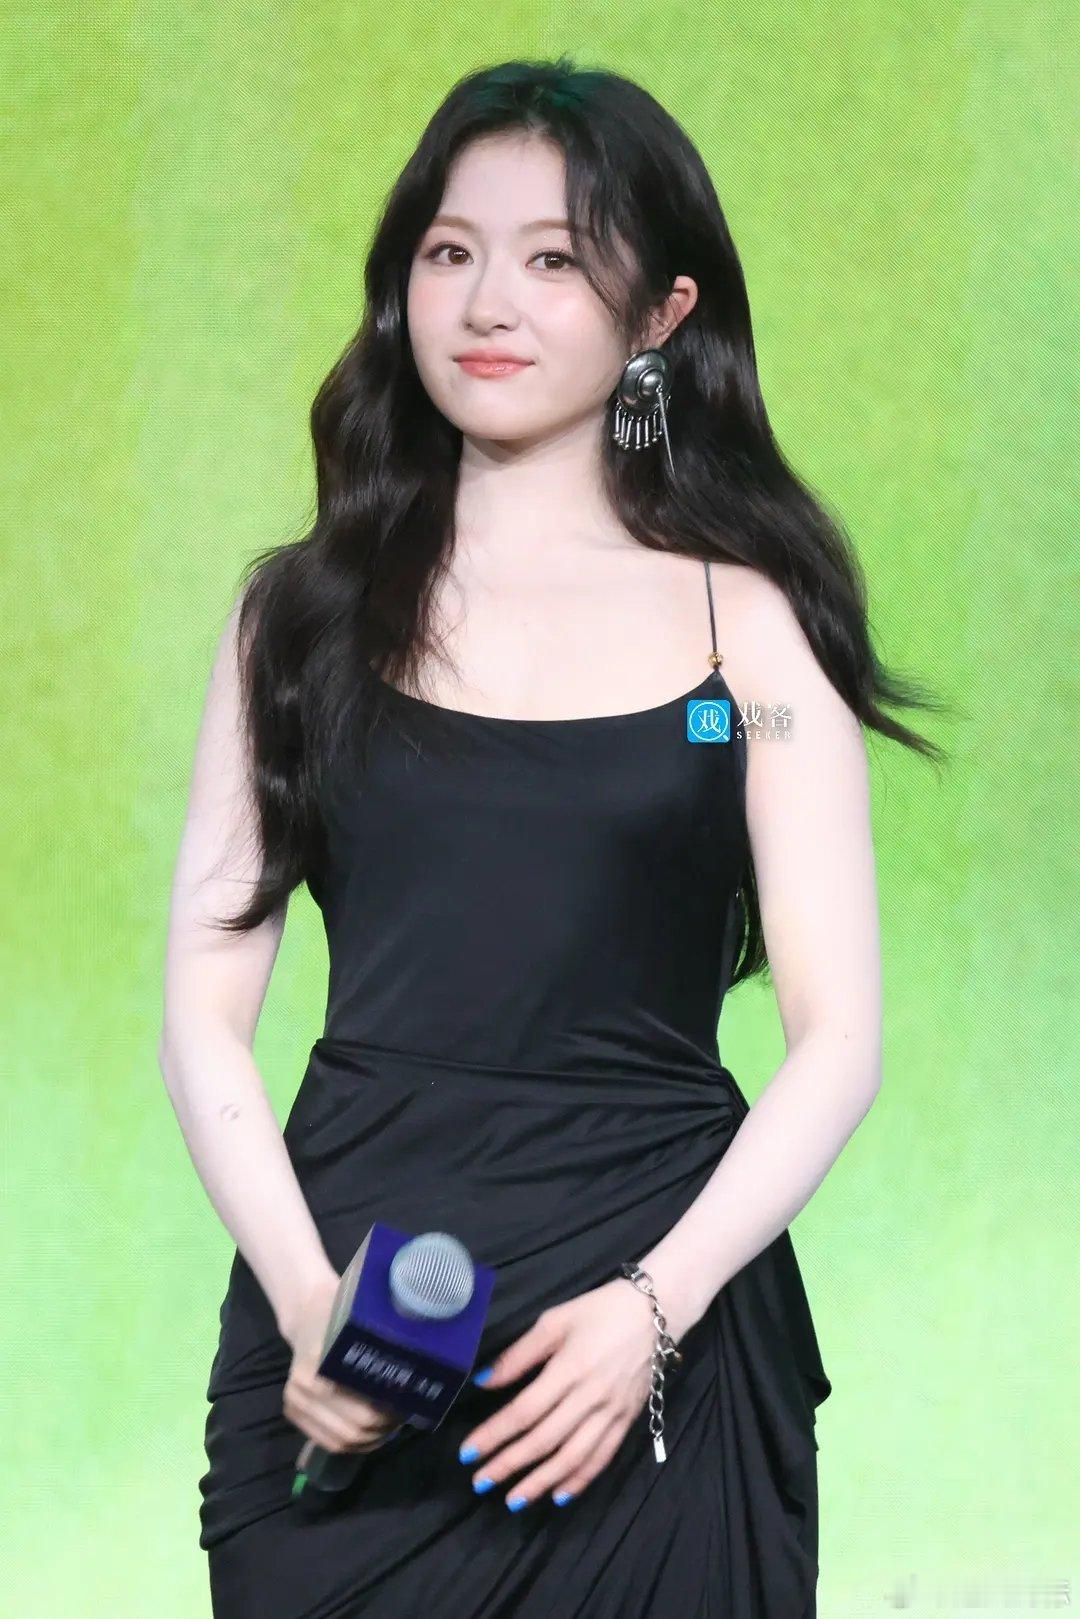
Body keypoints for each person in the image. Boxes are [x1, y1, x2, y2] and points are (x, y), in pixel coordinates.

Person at [159, 56, 943, 1619]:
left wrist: (654, 1309)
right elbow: (202, 1005)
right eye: (450, 252)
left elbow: (839, 1036)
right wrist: (309, 1303)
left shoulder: (748, 637)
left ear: (660, 314)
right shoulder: (295, 619)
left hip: (654, 1333)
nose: (487, 303)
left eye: (555, 260)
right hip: (350, 1328)